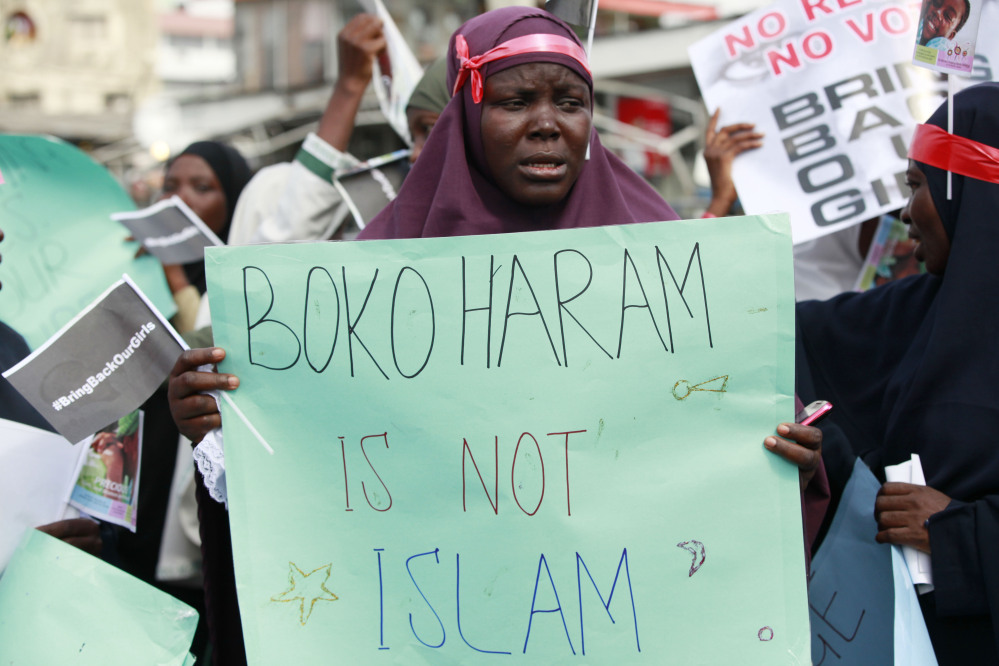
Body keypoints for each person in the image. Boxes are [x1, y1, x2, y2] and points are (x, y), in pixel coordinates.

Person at [168, 6, 825, 662]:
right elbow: (305, 480)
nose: (546, 125)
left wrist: (782, 460)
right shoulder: (363, 282)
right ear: (465, 116)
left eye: (570, 102)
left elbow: (718, 465)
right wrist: (221, 429)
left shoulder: (674, 267)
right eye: (515, 101)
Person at [796, 81, 999, 662]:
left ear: (972, 195)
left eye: (917, 186)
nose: (905, 211)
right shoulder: (912, 313)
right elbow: (766, 333)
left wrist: (959, 530)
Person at [155, 141, 252, 332]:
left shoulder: (248, 278)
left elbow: (205, 347)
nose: (179, 199)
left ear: (234, 198)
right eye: (169, 187)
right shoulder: (148, 260)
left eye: (201, 187)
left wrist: (173, 271)